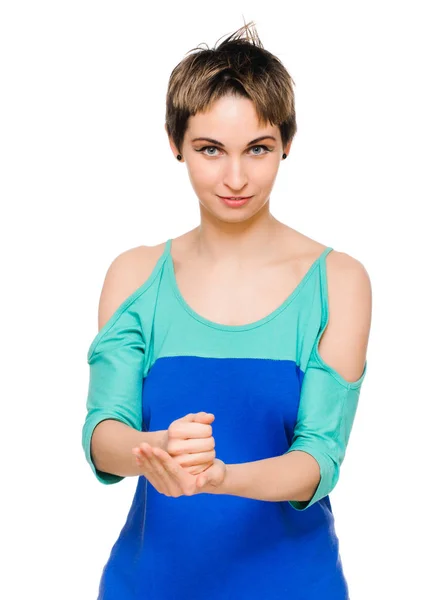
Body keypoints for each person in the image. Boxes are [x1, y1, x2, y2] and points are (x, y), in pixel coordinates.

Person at [82, 20, 371, 600]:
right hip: (149, 584)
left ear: (286, 143)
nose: (235, 177)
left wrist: (222, 478)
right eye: (210, 150)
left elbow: (318, 457)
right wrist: (156, 448)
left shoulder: (337, 281)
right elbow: (101, 433)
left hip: (295, 585)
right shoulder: (135, 276)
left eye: (258, 149)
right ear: (175, 143)